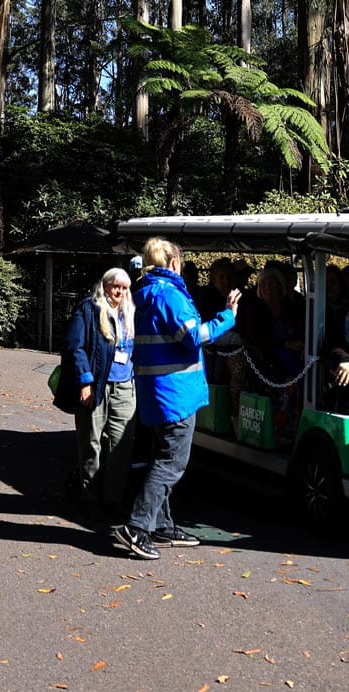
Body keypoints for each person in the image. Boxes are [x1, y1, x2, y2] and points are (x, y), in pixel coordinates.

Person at [117, 237, 238, 560]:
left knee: (162, 457)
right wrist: (228, 316)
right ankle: (137, 527)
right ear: (172, 263)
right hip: (175, 394)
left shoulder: (144, 293)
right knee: (171, 464)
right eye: (180, 260)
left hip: (156, 391)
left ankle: (161, 524)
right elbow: (193, 337)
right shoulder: (169, 294)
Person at [53, 269, 137, 519]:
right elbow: (74, 346)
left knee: (121, 444)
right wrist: (85, 381)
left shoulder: (131, 312)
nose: (119, 292)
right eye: (115, 286)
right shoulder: (89, 309)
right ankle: (89, 497)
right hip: (96, 384)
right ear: (105, 285)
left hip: (125, 387)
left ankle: (113, 498)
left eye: (124, 288)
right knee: (91, 442)